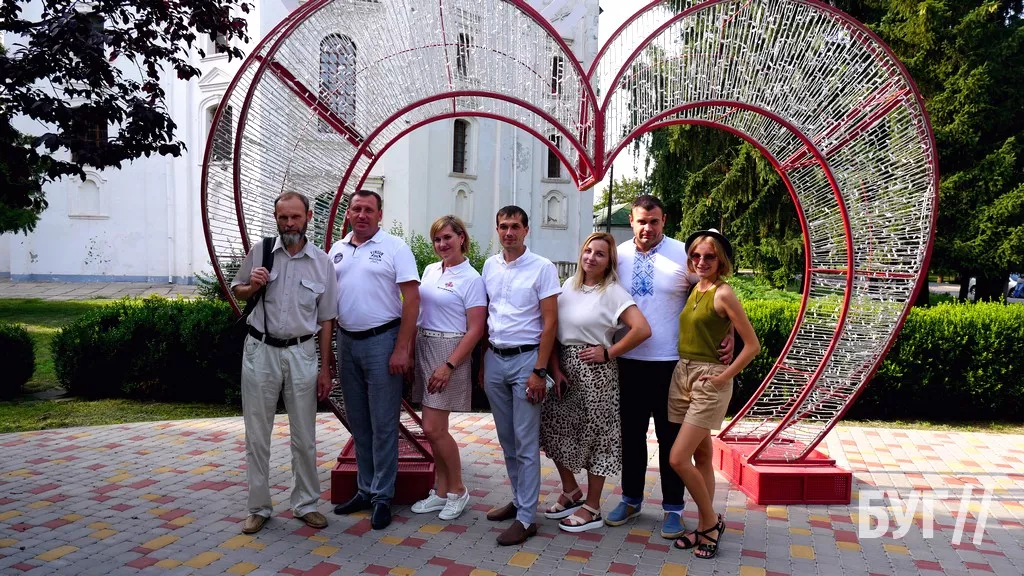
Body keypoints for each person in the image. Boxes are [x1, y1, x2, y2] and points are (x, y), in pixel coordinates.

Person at [608, 195, 732, 538]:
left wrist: (730, 332)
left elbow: (714, 292)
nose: (647, 228)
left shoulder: (684, 254)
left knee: (671, 440)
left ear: (664, 221)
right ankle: (631, 499)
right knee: (631, 436)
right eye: (641, 221)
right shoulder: (618, 255)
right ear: (631, 221)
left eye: (654, 221)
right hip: (628, 361)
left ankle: (673, 508)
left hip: (672, 364)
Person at [231, 191, 338, 535]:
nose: (289, 224)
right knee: (257, 435)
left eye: (295, 217)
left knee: (305, 436)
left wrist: (325, 368)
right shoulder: (261, 251)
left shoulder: (322, 262)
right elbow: (237, 290)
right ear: (276, 218)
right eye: (283, 218)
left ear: (308, 217)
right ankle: (258, 508)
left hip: (302, 352)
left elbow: (326, 320)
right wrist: (252, 286)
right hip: (260, 350)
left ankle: (306, 504)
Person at [540, 232, 651, 533]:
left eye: (599, 254)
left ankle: (592, 506)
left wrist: (609, 352)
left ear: (609, 261)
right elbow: (553, 329)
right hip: (564, 367)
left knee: (596, 438)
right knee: (553, 430)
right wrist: (555, 368)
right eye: (588, 251)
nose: (591, 257)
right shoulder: (568, 286)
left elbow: (642, 329)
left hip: (596, 374)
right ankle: (570, 491)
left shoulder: (613, 292)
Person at [330, 190, 420, 530]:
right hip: (347, 341)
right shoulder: (336, 251)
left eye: (369, 209)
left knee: (384, 423)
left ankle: (383, 495)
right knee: (359, 422)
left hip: (383, 341)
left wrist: (402, 348)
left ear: (380, 214)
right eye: (357, 208)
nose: (362, 214)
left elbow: (412, 300)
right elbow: (327, 302)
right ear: (348, 213)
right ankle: (365, 489)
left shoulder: (395, 247)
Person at [668, 229, 760, 559]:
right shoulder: (697, 287)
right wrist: (727, 332)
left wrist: (723, 377)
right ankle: (704, 523)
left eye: (709, 256)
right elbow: (714, 326)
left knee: (677, 458)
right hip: (682, 375)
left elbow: (753, 345)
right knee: (702, 457)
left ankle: (709, 523)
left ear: (721, 261)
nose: (701, 261)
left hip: (709, 379)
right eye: (696, 255)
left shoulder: (724, 292)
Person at [481, 205, 561, 546]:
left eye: (515, 226)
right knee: (507, 440)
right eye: (503, 226)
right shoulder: (489, 265)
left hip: (527, 361)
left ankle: (527, 518)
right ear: (497, 229)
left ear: (526, 230)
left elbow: (550, 322)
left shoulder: (542, 267)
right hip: (495, 359)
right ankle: (519, 500)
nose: (509, 232)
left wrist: (540, 371)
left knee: (526, 443)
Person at [409, 215, 487, 521]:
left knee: (434, 428)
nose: (442, 244)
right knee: (433, 430)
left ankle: (458, 490)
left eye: (448, 238)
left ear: (461, 238)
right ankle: (441, 491)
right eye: (437, 239)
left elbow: (476, 328)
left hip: (449, 352)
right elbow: (419, 312)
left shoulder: (472, 278)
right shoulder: (430, 270)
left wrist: (449, 365)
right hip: (425, 345)